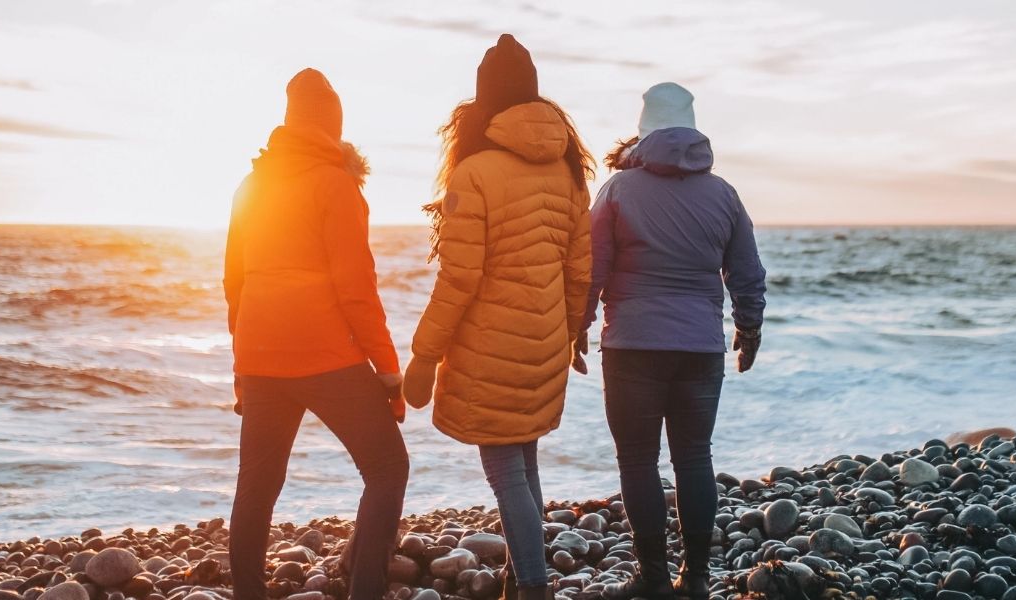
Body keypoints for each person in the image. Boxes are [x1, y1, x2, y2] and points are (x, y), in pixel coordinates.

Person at [401, 34, 593, 600]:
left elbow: (460, 278)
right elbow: (578, 272)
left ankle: (534, 586)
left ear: (485, 102)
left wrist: (423, 355)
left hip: (491, 346)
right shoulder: (567, 172)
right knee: (525, 459)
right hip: (545, 340)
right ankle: (520, 577)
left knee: (506, 471)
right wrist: (572, 333)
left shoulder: (476, 172)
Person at [222, 68, 409, 600]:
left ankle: (247, 594)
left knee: (256, 486)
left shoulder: (250, 185)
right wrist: (387, 367)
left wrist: (243, 366)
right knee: (388, 466)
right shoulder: (335, 182)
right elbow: (356, 288)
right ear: (333, 126)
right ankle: (366, 590)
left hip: (259, 356)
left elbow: (233, 284)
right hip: (325, 355)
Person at [585, 82, 766, 600]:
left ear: (643, 131)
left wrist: (577, 325)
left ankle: (654, 578)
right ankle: (697, 579)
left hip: (633, 344)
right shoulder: (724, 193)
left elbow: (592, 269)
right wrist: (748, 329)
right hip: (700, 347)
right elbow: (747, 272)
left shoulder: (618, 190)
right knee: (694, 457)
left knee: (638, 461)